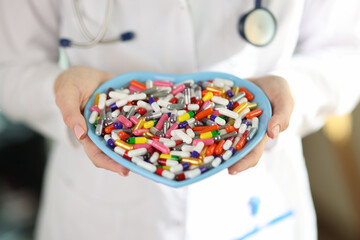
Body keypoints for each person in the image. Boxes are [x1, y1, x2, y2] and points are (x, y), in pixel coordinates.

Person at [0, 1, 359, 239]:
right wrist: (61, 90)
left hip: (255, 206)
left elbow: (346, 53)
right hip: (99, 212)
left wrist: (292, 91)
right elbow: (10, 66)